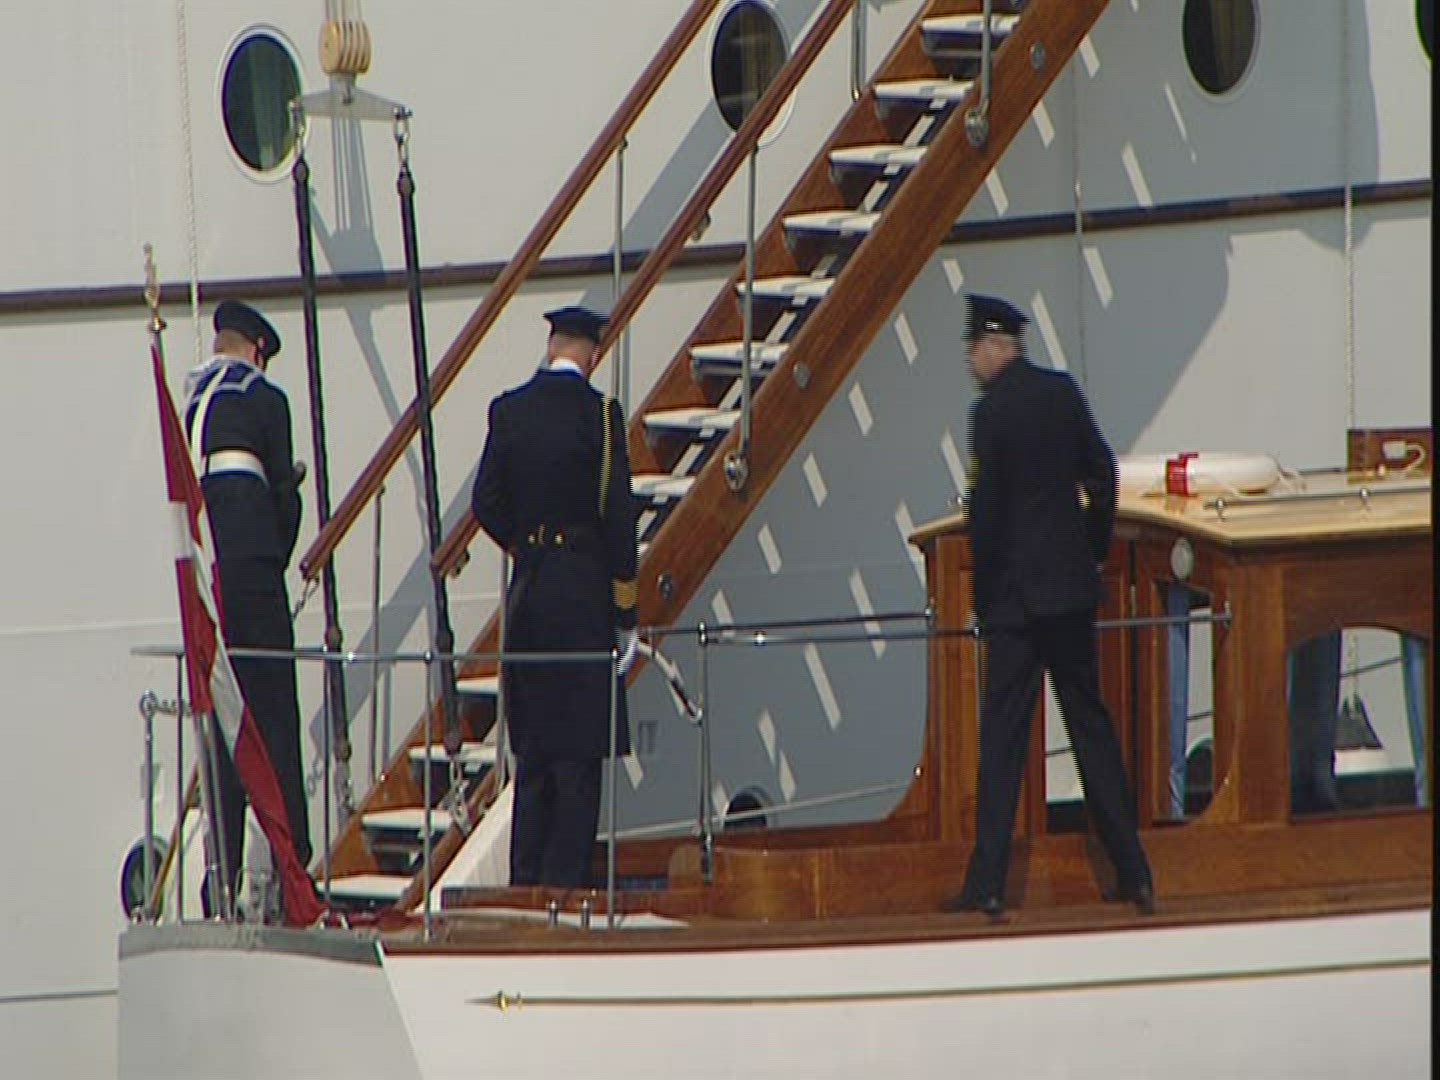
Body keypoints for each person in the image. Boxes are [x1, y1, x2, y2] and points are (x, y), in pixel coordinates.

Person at [947, 293, 1154, 918]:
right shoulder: (1062, 394)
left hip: (1014, 604)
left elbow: (985, 518)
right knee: (1090, 728)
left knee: (1003, 743)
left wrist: (983, 597)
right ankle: (1134, 872)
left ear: (992, 348)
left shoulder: (990, 414)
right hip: (1068, 594)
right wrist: (1091, 550)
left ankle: (987, 885)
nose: (970, 362)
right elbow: (1103, 472)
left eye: (971, 350)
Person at [471, 305, 640, 888]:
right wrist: (626, 611)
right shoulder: (601, 416)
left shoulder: (510, 410)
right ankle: (564, 891)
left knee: (535, 753)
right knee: (577, 759)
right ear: (591, 353)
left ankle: (524, 884)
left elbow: (486, 501)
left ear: (551, 347)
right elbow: (617, 516)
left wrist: (527, 544)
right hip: (582, 595)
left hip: (530, 592)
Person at [184, 300, 310, 917]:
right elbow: (283, 499)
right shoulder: (265, 398)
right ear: (257, 350)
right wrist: (277, 554)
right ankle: (295, 871)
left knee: (224, 726)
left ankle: (220, 879)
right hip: (253, 573)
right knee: (275, 719)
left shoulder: (193, 404)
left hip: (208, 585)